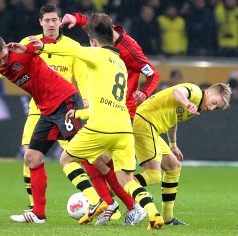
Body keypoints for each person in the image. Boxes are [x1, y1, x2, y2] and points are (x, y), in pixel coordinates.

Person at [29, 21, 164, 230]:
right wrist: (81, 112)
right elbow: (105, 100)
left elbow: (71, 50)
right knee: (126, 179)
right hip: (124, 129)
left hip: (102, 126)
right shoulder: (119, 62)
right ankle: (153, 214)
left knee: (67, 159)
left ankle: (96, 200)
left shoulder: (97, 55)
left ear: (93, 41)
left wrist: (43, 46)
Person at [0, 3, 88, 213]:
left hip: (65, 104)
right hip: (38, 108)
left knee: (77, 154)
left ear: (60, 22)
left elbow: (81, 75)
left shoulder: (72, 46)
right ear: (40, 22)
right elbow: (5, 62)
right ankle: (34, 207)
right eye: (46, 20)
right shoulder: (27, 43)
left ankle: (94, 197)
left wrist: (84, 98)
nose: (50, 24)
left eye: (54, 20)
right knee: (29, 155)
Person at [61, 12, 160, 225]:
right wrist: (76, 19)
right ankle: (119, 204)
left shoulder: (130, 50)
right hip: (105, 109)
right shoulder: (105, 34)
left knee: (100, 160)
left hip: (121, 111)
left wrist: (145, 92)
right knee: (97, 160)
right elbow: (93, 24)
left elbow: (153, 74)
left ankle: (123, 205)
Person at [133, 82, 231, 225]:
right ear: (209, 92)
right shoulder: (195, 92)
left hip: (151, 127)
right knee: (153, 175)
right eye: (214, 102)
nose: (211, 108)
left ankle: (167, 217)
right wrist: (187, 103)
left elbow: (173, 119)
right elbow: (177, 92)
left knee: (174, 166)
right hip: (145, 123)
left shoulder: (196, 105)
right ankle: (109, 191)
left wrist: (173, 145)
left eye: (216, 108)